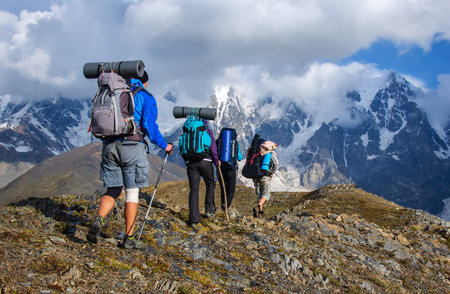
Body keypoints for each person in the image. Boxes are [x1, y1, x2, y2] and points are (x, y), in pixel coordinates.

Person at [86, 71, 173, 249]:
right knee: (132, 192)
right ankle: (129, 237)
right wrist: (165, 146)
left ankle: (99, 219)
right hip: (132, 147)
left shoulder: (111, 91)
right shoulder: (143, 95)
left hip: (109, 146)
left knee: (113, 189)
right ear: (144, 82)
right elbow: (149, 126)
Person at [185, 119, 220, 228]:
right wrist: (216, 161)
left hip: (191, 163)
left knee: (194, 190)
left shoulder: (188, 131)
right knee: (210, 183)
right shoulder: (207, 131)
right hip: (206, 162)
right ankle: (209, 210)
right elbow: (213, 148)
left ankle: (194, 220)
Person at [242, 134, 278, 218]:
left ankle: (260, 212)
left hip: (255, 175)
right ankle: (258, 206)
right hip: (265, 175)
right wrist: (272, 172)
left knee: (259, 193)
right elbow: (275, 163)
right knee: (265, 193)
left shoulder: (252, 151)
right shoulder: (268, 152)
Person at [216, 128, 243, 210]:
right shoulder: (235, 143)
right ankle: (226, 206)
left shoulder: (218, 142)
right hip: (231, 168)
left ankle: (223, 204)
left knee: (223, 187)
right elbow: (239, 157)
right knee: (231, 189)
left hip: (221, 168)